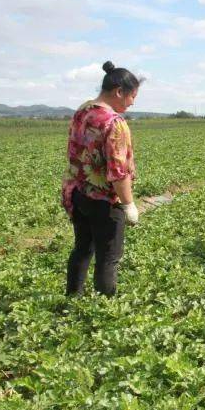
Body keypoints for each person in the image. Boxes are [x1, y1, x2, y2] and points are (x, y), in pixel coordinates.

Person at [62, 61, 142, 296]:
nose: (132, 102)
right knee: (109, 257)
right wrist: (128, 205)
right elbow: (118, 171)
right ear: (119, 92)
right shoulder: (114, 123)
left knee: (82, 249)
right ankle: (104, 311)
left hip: (78, 193)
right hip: (104, 201)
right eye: (132, 96)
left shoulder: (83, 111)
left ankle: (72, 298)